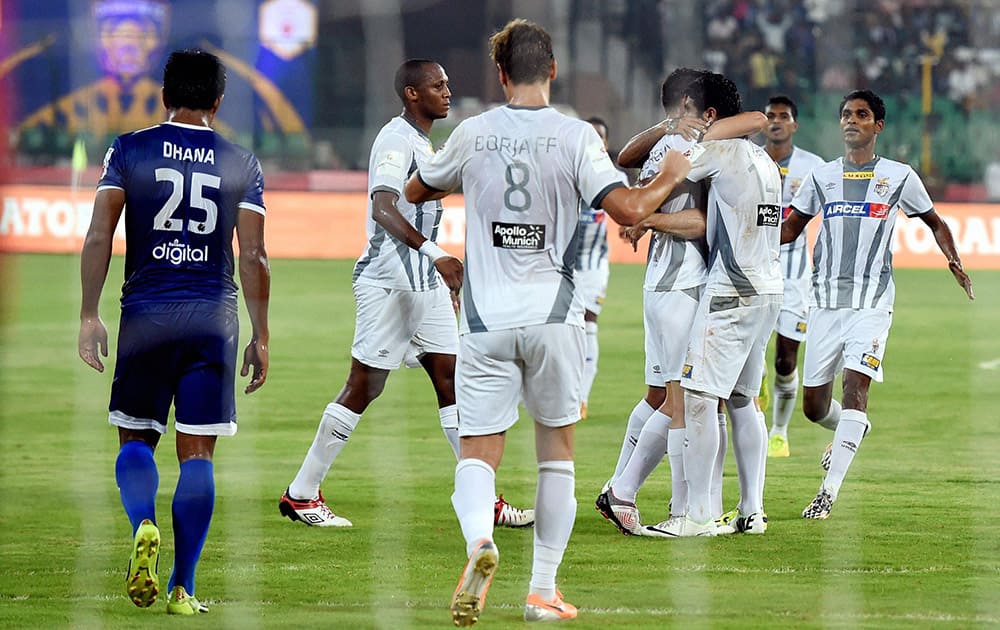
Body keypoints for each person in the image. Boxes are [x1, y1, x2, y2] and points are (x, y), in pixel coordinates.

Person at [405, 19, 693, 625]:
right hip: (555, 316)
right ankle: (541, 591)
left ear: (500, 74)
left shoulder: (474, 132)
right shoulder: (575, 136)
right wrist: (675, 167)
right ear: (553, 70)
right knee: (555, 454)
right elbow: (633, 209)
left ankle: (480, 543)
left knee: (478, 454)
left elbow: (415, 188)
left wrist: (459, 177)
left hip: (484, 320)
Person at [278, 59, 533, 529]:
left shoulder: (423, 143)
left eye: (448, 83)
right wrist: (438, 253)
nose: (447, 91)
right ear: (412, 94)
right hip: (388, 282)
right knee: (364, 386)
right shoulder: (396, 140)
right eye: (437, 85)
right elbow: (383, 207)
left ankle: (482, 498)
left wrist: (439, 270)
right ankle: (302, 492)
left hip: (423, 284)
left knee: (452, 382)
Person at [78, 49, 270, 614]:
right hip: (213, 316)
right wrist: (261, 333)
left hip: (146, 312)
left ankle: (143, 524)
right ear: (218, 100)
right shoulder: (241, 161)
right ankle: (183, 589)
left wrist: (90, 313)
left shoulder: (129, 148)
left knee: (136, 437)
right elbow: (254, 256)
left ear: (164, 95)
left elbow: (97, 236)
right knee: (198, 454)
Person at [781, 89, 974, 519]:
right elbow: (791, 228)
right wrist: (742, 237)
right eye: (846, 114)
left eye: (862, 115)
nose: (852, 120)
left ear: (878, 126)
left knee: (855, 390)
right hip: (825, 303)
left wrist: (953, 259)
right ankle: (854, 429)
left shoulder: (900, 176)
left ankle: (827, 493)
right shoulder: (821, 178)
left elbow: (935, 221)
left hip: (872, 302)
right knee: (814, 408)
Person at [596, 68, 767, 536]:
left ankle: (652, 496)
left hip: (661, 285)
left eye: (680, 105)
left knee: (669, 396)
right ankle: (668, 505)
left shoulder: (695, 147)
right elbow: (699, 221)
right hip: (685, 285)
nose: (674, 112)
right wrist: (669, 128)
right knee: (687, 401)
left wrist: (646, 216)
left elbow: (754, 119)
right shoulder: (682, 147)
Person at [637, 71, 784, 538]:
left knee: (698, 398)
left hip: (730, 291)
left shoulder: (716, 151)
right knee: (743, 401)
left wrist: (645, 216)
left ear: (710, 114)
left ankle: (695, 515)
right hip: (770, 290)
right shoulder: (763, 159)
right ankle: (752, 511)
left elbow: (670, 176)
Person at [762, 95, 825, 459]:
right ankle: (758, 396)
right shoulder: (749, 160)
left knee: (786, 359)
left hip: (794, 276)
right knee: (750, 356)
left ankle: (779, 432)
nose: (776, 121)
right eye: (770, 115)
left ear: (794, 124)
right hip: (752, 269)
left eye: (784, 116)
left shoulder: (812, 167)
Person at [575, 116, 628, 420]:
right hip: (560, 264)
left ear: (606, 145)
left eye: (600, 137)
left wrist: (629, 226)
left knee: (588, 322)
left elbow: (628, 212)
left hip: (594, 264)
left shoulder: (616, 177)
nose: (595, 141)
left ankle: (581, 398)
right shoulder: (564, 168)